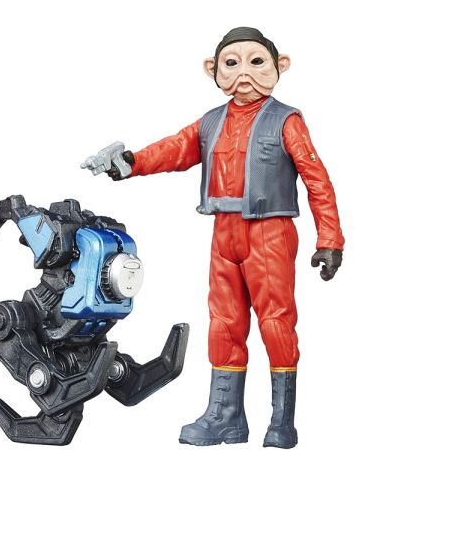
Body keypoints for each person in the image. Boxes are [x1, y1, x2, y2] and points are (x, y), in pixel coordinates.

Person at [82, 27, 344, 448]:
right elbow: (175, 148)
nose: (244, 73)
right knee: (223, 323)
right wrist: (130, 162)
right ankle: (225, 416)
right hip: (224, 233)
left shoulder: (287, 121)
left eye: (256, 62)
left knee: (276, 322)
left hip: (270, 233)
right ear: (213, 70)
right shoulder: (211, 123)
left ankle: (281, 421)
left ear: (280, 66)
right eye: (231, 63)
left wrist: (329, 239)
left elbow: (317, 180)